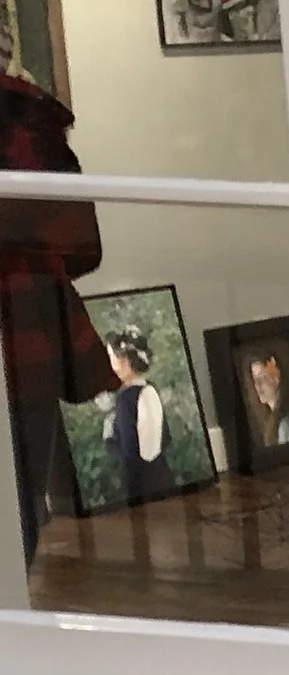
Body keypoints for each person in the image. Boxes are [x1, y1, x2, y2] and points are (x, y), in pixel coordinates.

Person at [0, 67, 114, 561]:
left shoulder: (30, 119)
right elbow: (82, 247)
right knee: (23, 496)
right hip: (28, 318)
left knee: (21, 496)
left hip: (25, 322)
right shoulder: (32, 120)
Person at [99, 328, 177, 505]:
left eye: (111, 357)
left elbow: (129, 455)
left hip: (142, 487)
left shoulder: (126, 400)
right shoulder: (150, 388)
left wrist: (109, 438)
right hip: (163, 476)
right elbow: (166, 438)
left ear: (125, 361)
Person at [245, 350, 289, 451]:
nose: (258, 385)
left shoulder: (287, 425)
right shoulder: (272, 420)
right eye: (255, 379)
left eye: (263, 376)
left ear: (277, 378)